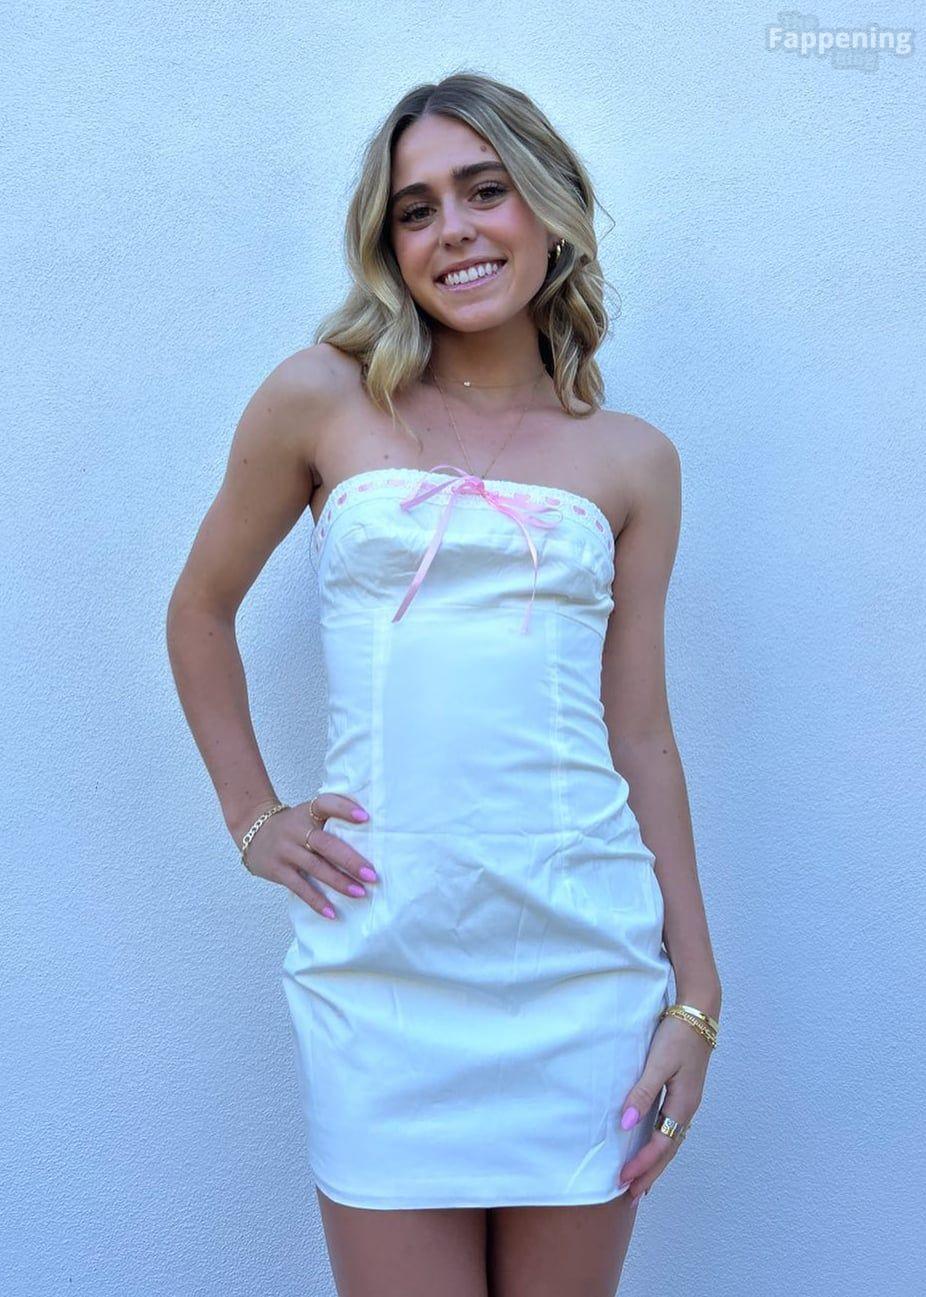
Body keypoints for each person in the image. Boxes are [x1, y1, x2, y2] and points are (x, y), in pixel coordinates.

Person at [167, 71, 722, 1297]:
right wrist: (253, 817)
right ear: (388, 246)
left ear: (550, 210)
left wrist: (694, 993)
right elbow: (198, 611)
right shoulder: (319, 396)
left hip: (583, 959)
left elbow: (640, 733)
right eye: (415, 210)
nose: (453, 230)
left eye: (483, 190)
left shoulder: (633, 460)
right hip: (380, 958)